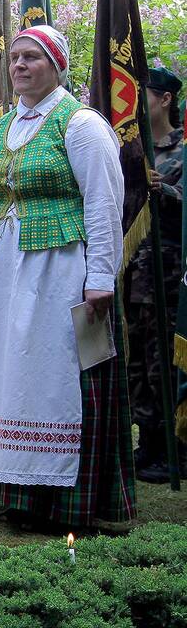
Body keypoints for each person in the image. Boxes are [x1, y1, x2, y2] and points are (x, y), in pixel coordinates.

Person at [0, 25, 132, 530]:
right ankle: (16, 490)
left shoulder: (79, 124)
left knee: (53, 374)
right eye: (14, 57)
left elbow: (103, 202)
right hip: (1, 270)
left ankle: (67, 500)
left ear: (56, 64)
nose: (19, 66)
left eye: (31, 57)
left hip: (60, 268)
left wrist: (100, 275)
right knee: (7, 373)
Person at [126, 66, 184, 482]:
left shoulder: (181, 151)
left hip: (167, 276)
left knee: (161, 362)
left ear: (164, 98)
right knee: (136, 361)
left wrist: (161, 189)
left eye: (142, 92)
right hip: (132, 274)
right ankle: (146, 442)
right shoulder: (133, 151)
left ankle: (173, 448)